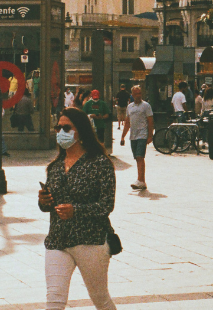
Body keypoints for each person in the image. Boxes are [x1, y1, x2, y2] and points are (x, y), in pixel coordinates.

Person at [38, 107, 117, 309]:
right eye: (58, 128)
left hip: (89, 239)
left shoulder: (100, 163)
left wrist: (76, 210)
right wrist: (44, 201)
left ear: (80, 131)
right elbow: (49, 206)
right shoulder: (55, 166)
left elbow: (106, 204)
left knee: (100, 298)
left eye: (66, 128)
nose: (60, 132)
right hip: (58, 239)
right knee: (54, 300)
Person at [119, 85, 154, 190]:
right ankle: (141, 180)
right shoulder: (130, 107)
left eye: (140, 93)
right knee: (137, 158)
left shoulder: (146, 106)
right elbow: (127, 122)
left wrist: (150, 135)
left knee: (140, 156)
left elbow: (150, 121)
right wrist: (122, 137)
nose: (138, 95)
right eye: (136, 94)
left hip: (142, 134)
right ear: (132, 95)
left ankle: (141, 180)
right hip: (133, 136)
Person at [81, 89, 112, 154]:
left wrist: (101, 117)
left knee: (101, 140)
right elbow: (83, 114)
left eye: (96, 97)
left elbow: (107, 114)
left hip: (100, 125)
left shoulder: (102, 103)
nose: (95, 99)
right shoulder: (88, 104)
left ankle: (101, 153)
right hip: (90, 125)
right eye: (94, 97)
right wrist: (91, 115)